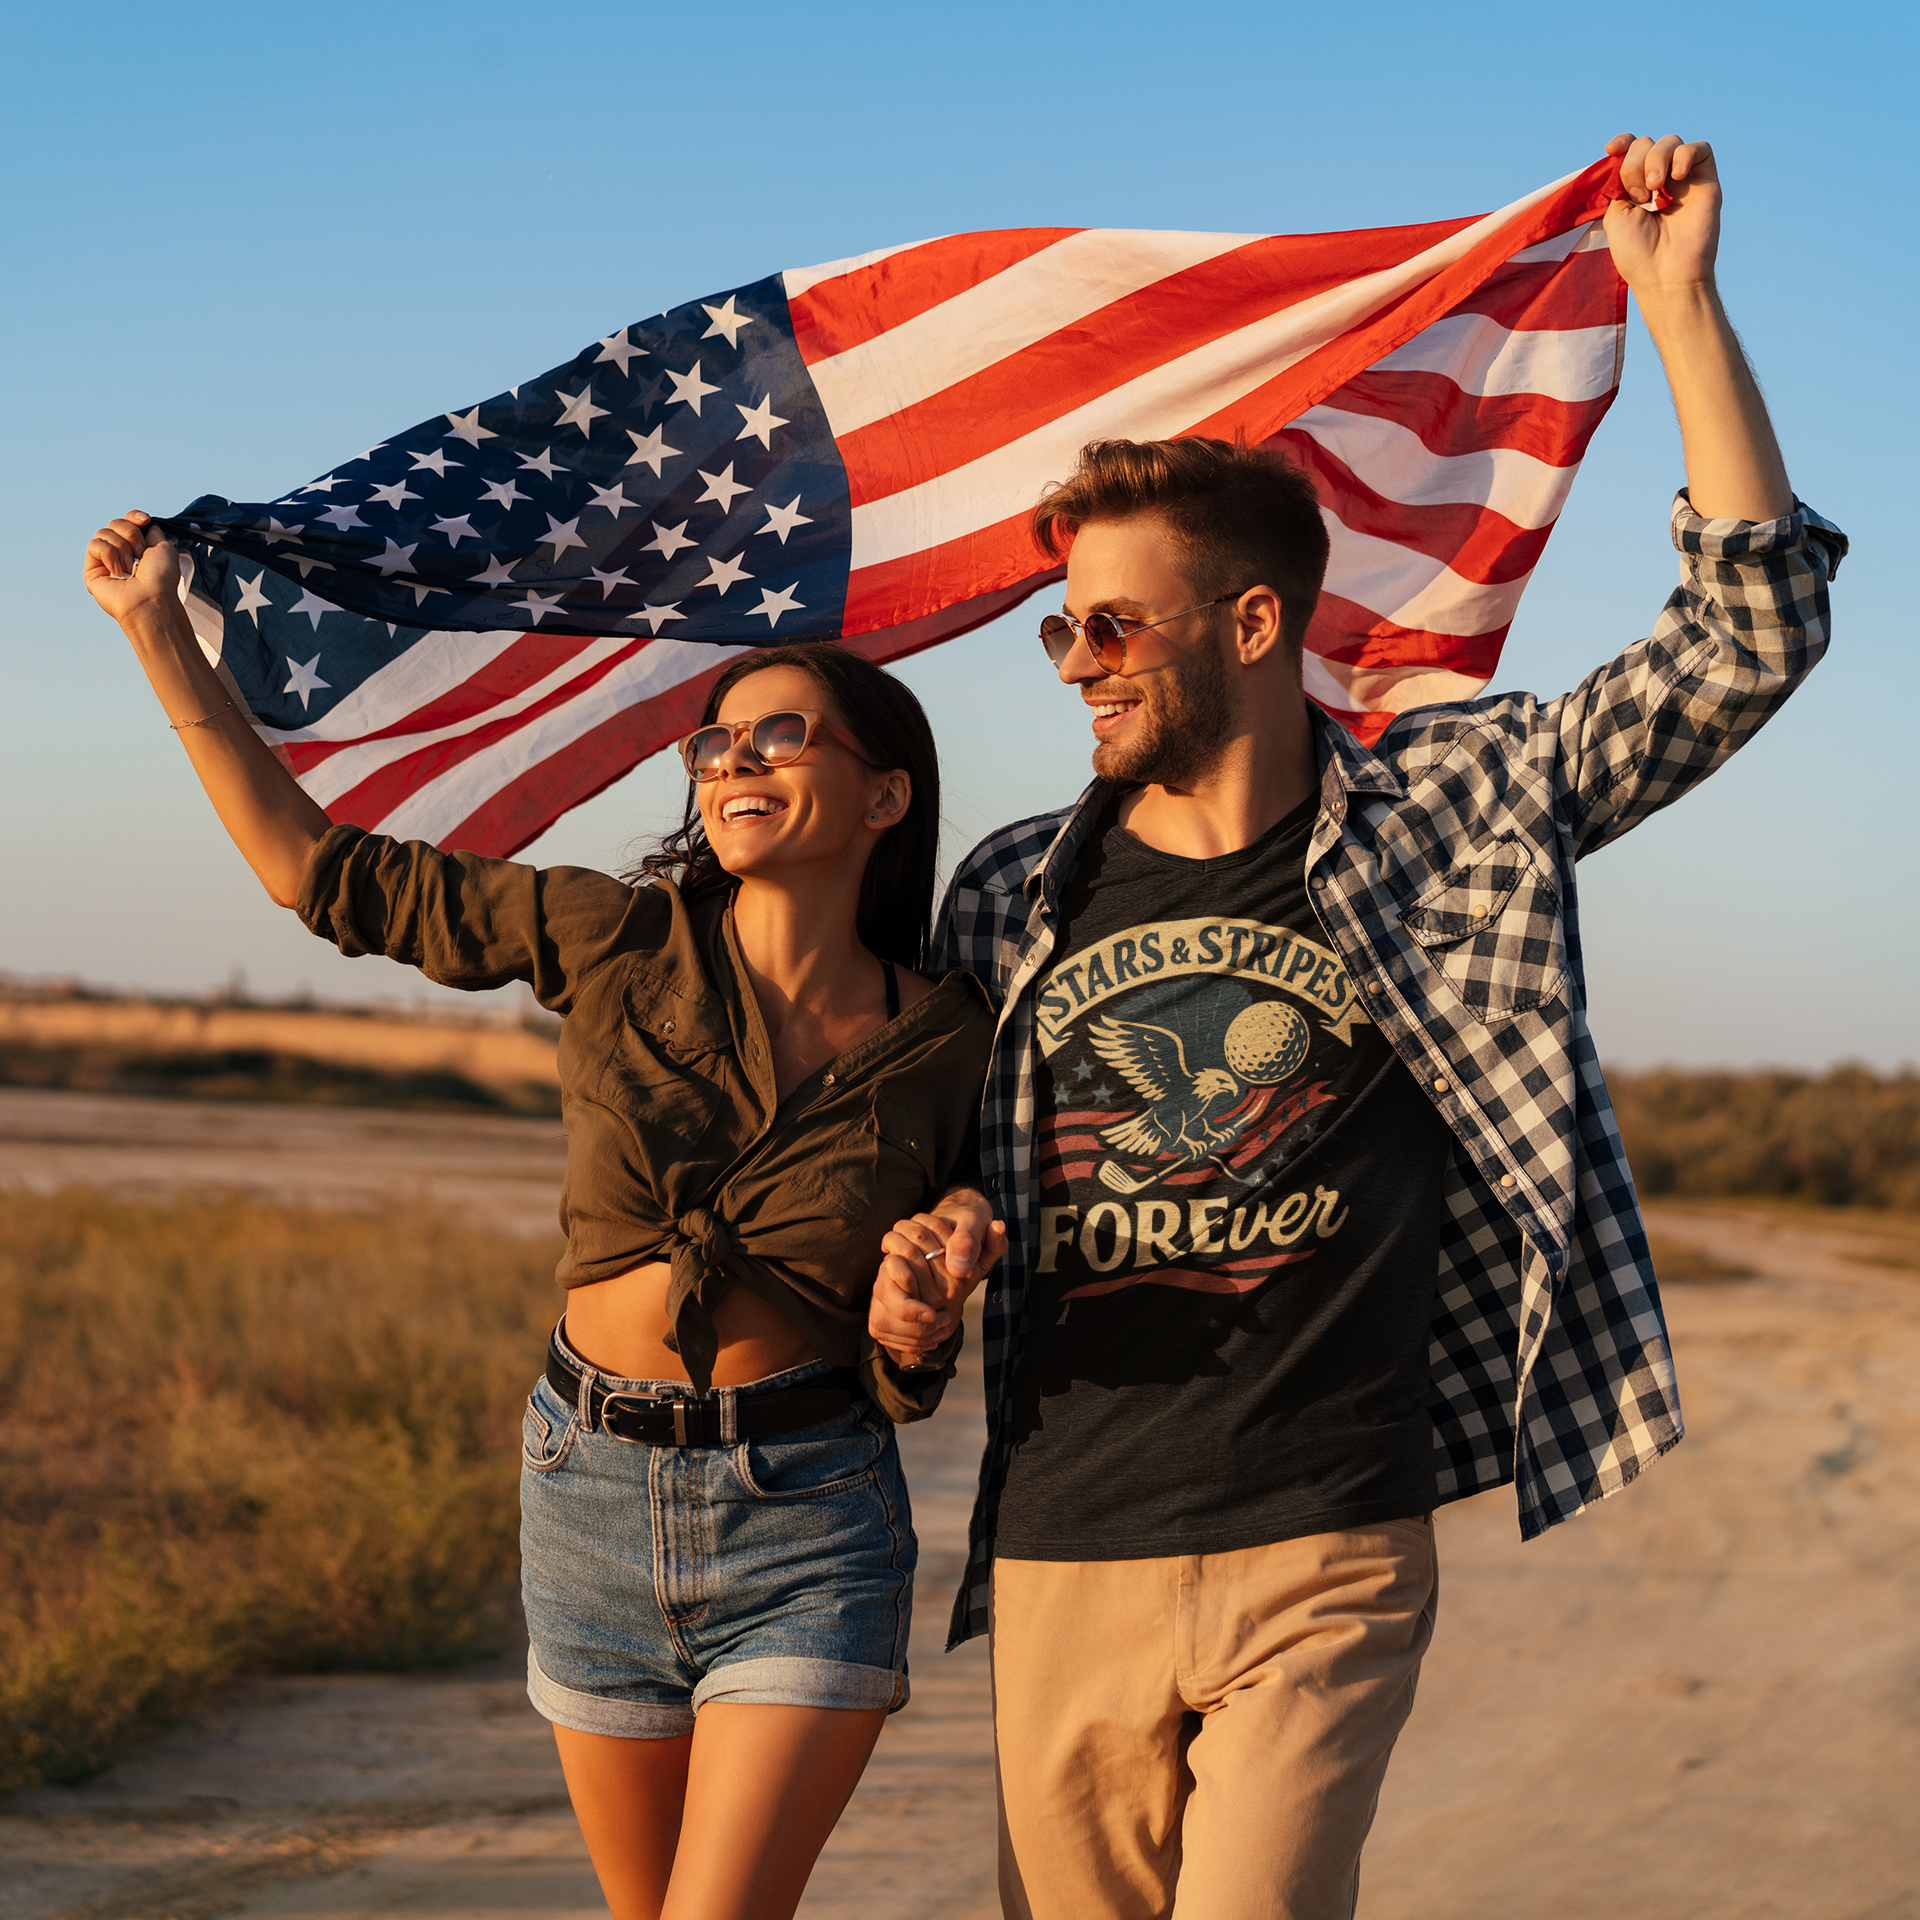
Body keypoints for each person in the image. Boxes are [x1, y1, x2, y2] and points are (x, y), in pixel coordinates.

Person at [875, 131, 1848, 1917]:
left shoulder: (1446, 811)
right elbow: (930, 1211)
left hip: (1323, 1537)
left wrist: (1680, 306)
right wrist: (916, 1287)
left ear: (1254, 621)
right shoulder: (1006, 894)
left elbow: (1749, 632)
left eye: (1111, 626)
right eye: (1059, 633)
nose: (1075, 660)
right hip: (1066, 1542)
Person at [76, 523, 1003, 1920]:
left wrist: (919, 1319)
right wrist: (156, 629)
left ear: (884, 795)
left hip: (807, 1513)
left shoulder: (949, 1043)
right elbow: (314, 873)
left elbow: (906, 1353)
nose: (734, 760)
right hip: (587, 1494)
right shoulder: (612, 935)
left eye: (781, 734)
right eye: (716, 743)